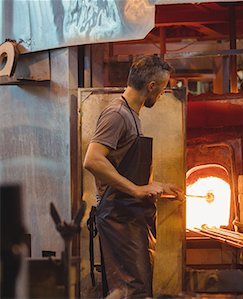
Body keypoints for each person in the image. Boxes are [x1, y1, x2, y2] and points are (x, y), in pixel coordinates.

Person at [83, 55, 182, 298]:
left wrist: (157, 186)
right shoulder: (117, 114)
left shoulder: (132, 116)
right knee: (130, 291)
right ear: (151, 86)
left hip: (130, 216)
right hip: (119, 217)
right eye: (162, 89)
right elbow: (93, 159)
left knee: (133, 289)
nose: (161, 95)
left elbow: (124, 168)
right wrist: (137, 190)